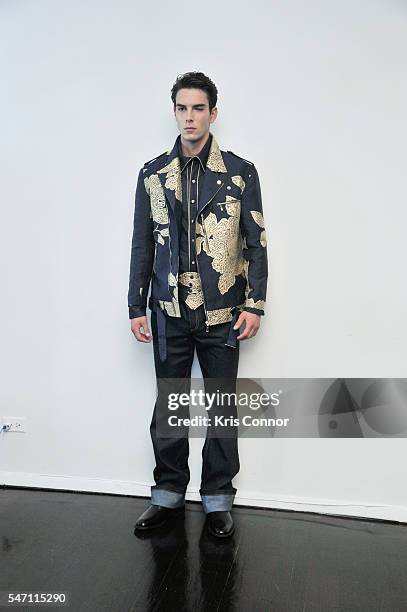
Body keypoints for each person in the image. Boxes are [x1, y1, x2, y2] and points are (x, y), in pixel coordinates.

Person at [128, 71, 268, 538]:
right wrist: (135, 306)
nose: (190, 117)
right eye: (182, 108)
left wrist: (256, 304)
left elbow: (257, 243)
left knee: (221, 406)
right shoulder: (152, 174)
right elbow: (141, 245)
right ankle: (167, 497)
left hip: (223, 311)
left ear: (213, 113)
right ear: (175, 112)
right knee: (171, 405)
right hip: (167, 310)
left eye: (198, 108)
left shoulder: (240, 172)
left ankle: (217, 501)